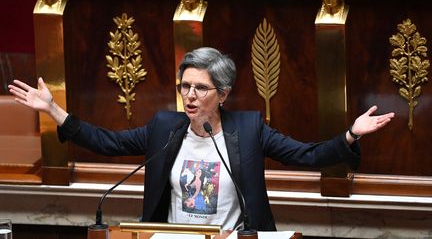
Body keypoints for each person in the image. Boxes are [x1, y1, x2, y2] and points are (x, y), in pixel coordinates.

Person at [8, 47, 395, 231]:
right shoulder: (165, 128)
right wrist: (55, 112)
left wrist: (349, 134)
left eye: (201, 88)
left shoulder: (248, 128)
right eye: (185, 86)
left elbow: (307, 156)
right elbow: (109, 142)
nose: (189, 96)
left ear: (223, 94)